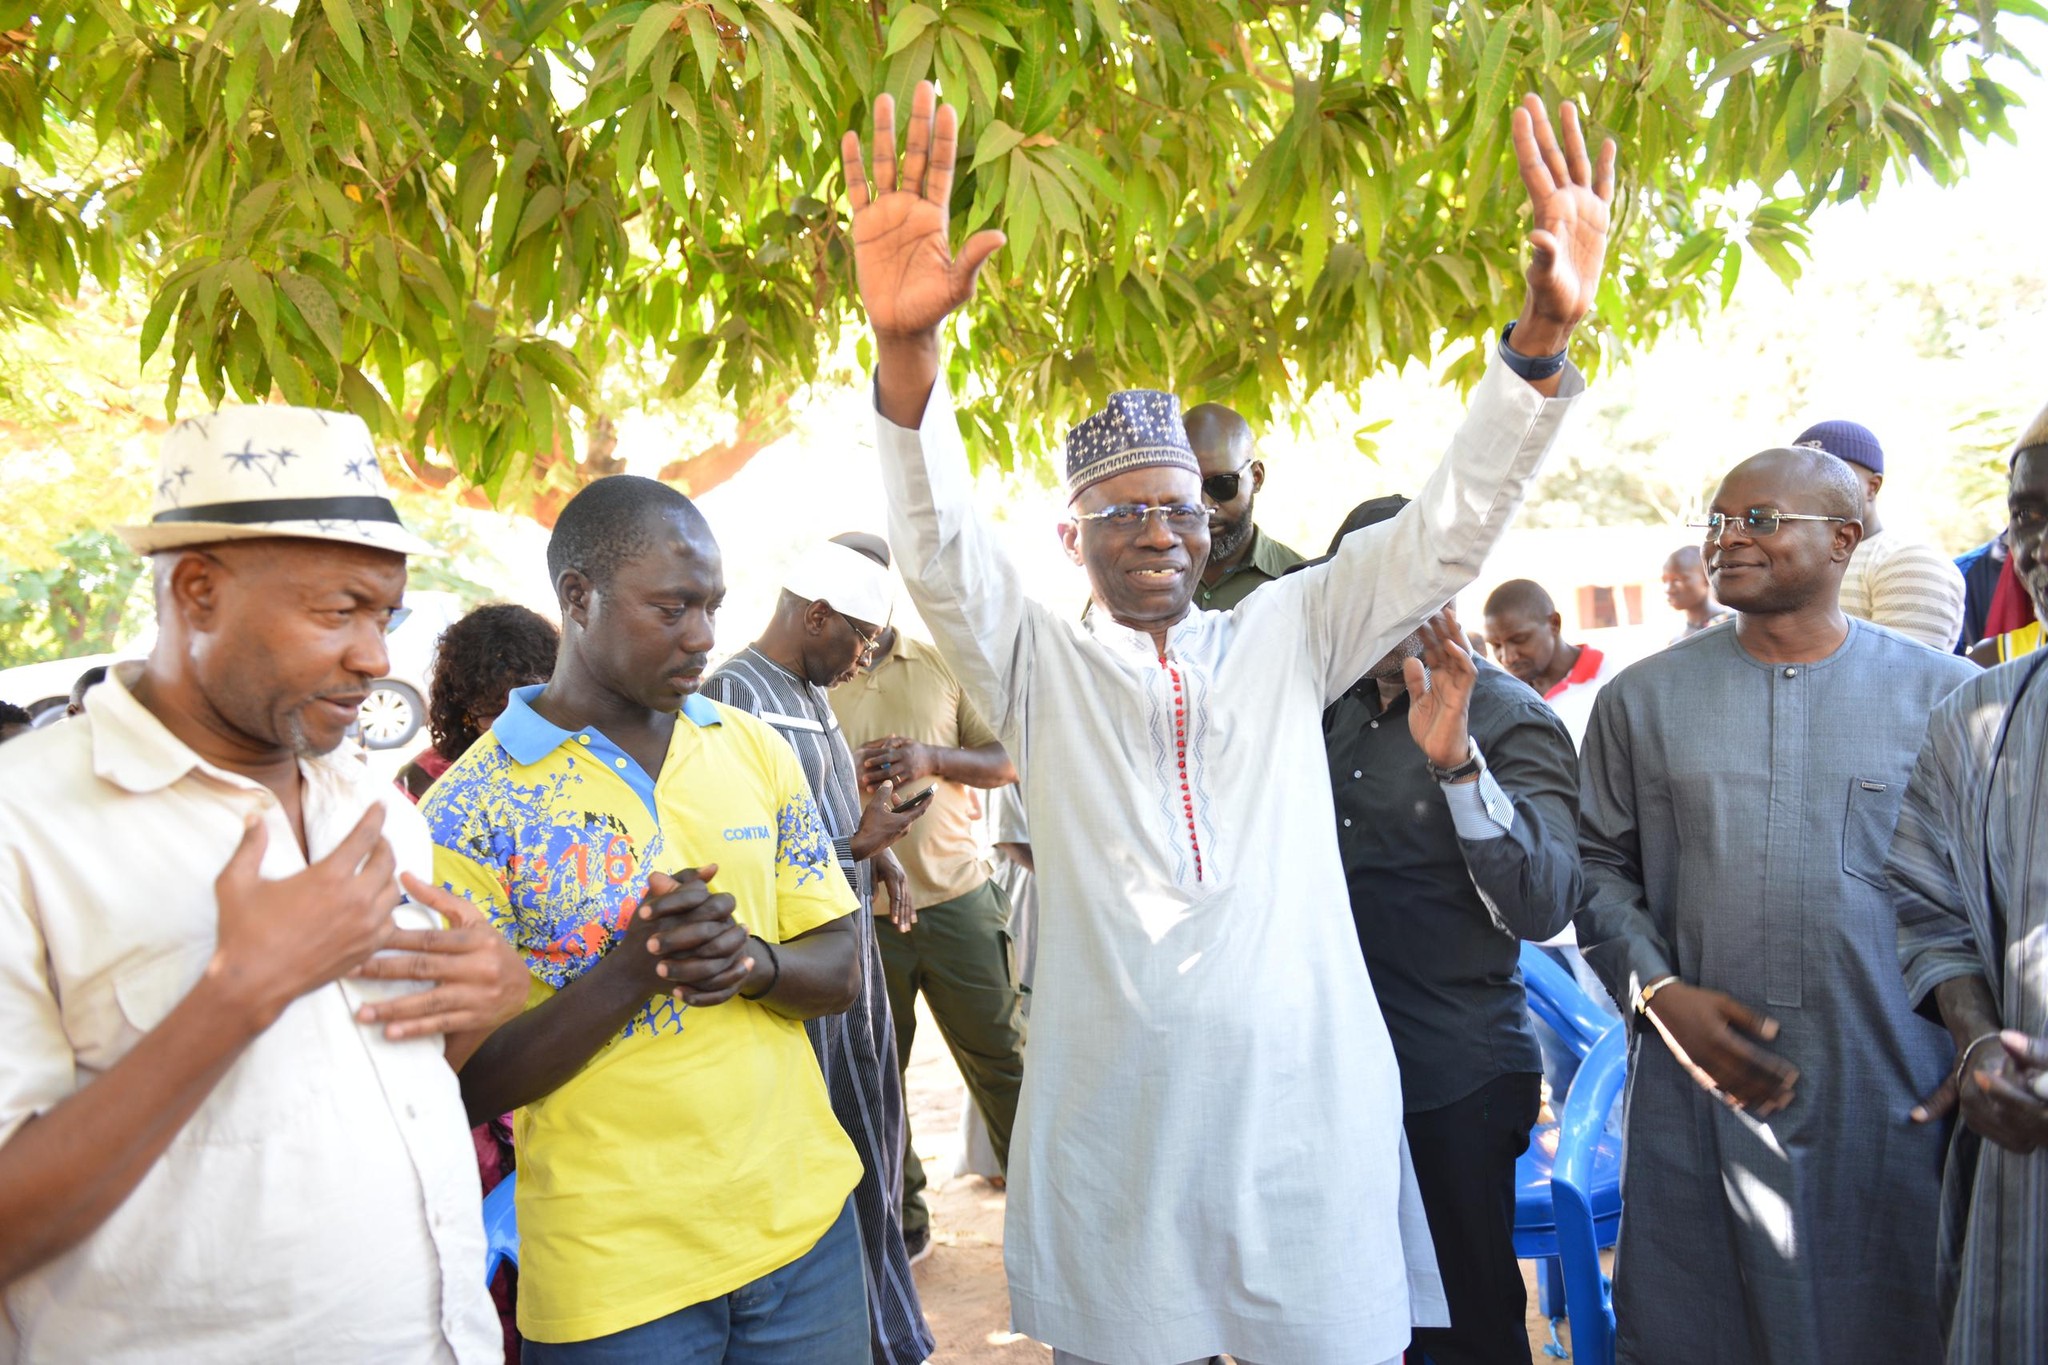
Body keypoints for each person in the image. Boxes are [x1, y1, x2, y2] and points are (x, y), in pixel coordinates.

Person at [846, 80, 1611, 1364]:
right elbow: (931, 546)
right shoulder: (1035, 661)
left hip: (1302, 1109)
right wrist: (908, 357)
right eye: (1126, 513)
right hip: (1121, 1117)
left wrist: (1535, 341)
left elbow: (1440, 536)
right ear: (1071, 536)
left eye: (1182, 513)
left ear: (1216, 529)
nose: (1159, 531)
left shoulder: (1285, 632)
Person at [0, 406, 526, 1362]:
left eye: (386, 615)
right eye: (340, 611)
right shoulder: (23, 827)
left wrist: (484, 1001)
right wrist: (239, 994)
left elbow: (377, 1093)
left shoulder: (373, 804)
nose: (377, 657)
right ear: (198, 590)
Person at [423, 475, 871, 1362]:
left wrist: (752, 963)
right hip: (614, 1283)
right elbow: (462, 1086)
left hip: (804, 1234)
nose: (703, 637)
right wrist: (634, 970)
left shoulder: (750, 747)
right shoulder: (465, 811)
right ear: (578, 599)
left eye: (711, 606)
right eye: (672, 608)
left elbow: (842, 969)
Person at [1574, 445, 1975, 1364]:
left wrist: (1981, 1032)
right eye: (1717, 521)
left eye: (1760, 519)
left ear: (1843, 539)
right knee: (1699, 1326)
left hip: (1892, 1093)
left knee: (1901, 1321)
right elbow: (1595, 867)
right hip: (1701, 1095)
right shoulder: (1642, 699)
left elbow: (1995, 892)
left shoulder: (1946, 698)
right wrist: (1657, 992)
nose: (1728, 538)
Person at [1324, 492, 1581, 1365]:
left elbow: (1546, 902)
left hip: (1453, 1074)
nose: (1390, 604)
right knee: (1355, 1321)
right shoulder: (1325, 708)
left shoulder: (1507, 716)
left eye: (1414, 579)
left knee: (1465, 1327)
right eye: (1367, 584)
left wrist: (1458, 766)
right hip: (1332, 1074)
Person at [699, 534, 937, 1365]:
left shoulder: (806, 689)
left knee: (876, 1141)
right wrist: (853, 845)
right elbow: (750, 859)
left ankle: (883, 1330)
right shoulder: (734, 695)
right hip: (796, 977)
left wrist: (883, 856)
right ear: (817, 615)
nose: (863, 657)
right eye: (860, 637)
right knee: (835, 1156)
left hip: (850, 961)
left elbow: (829, 820)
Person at [1886, 398, 2048, 1360]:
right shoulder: (1978, 715)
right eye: (2027, 514)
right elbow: (1931, 908)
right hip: (2022, 1166)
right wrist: (1979, 1038)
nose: (2041, 541)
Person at [830, 618, 1026, 1259]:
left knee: (1004, 1061)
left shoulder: (942, 662)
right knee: (880, 1075)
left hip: (958, 902)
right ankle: (905, 1221)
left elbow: (1006, 759)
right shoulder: (812, 676)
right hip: (860, 913)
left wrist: (931, 759)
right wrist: (841, 777)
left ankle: (1039, 1206)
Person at [1792, 419, 1967, 650]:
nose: (1807, 488)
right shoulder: (1788, 558)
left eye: (1828, 475)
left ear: (1872, 486)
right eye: (1797, 477)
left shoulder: (1909, 560)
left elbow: (1902, 677)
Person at [396, 602, 559, 801]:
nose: (511, 725)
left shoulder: (583, 765)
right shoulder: (422, 781)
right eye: (495, 713)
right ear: (464, 710)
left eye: (527, 707)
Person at [1183, 403, 1303, 610]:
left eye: (1222, 484)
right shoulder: (1140, 577)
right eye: (1186, 484)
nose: (1204, 504)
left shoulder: (1299, 582)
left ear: (1256, 477)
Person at [1482, 577, 1618, 746]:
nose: (1507, 657)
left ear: (1554, 624)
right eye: (1496, 645)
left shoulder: (1613, 681)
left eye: (1519, 639)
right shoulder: (1501, 696)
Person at [1662, 544, 1730, 641]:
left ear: (1707, 577)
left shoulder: (1731, 626)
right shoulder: (1677, 640)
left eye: (1677, 580)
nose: (1668, 589)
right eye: (1665, 581)